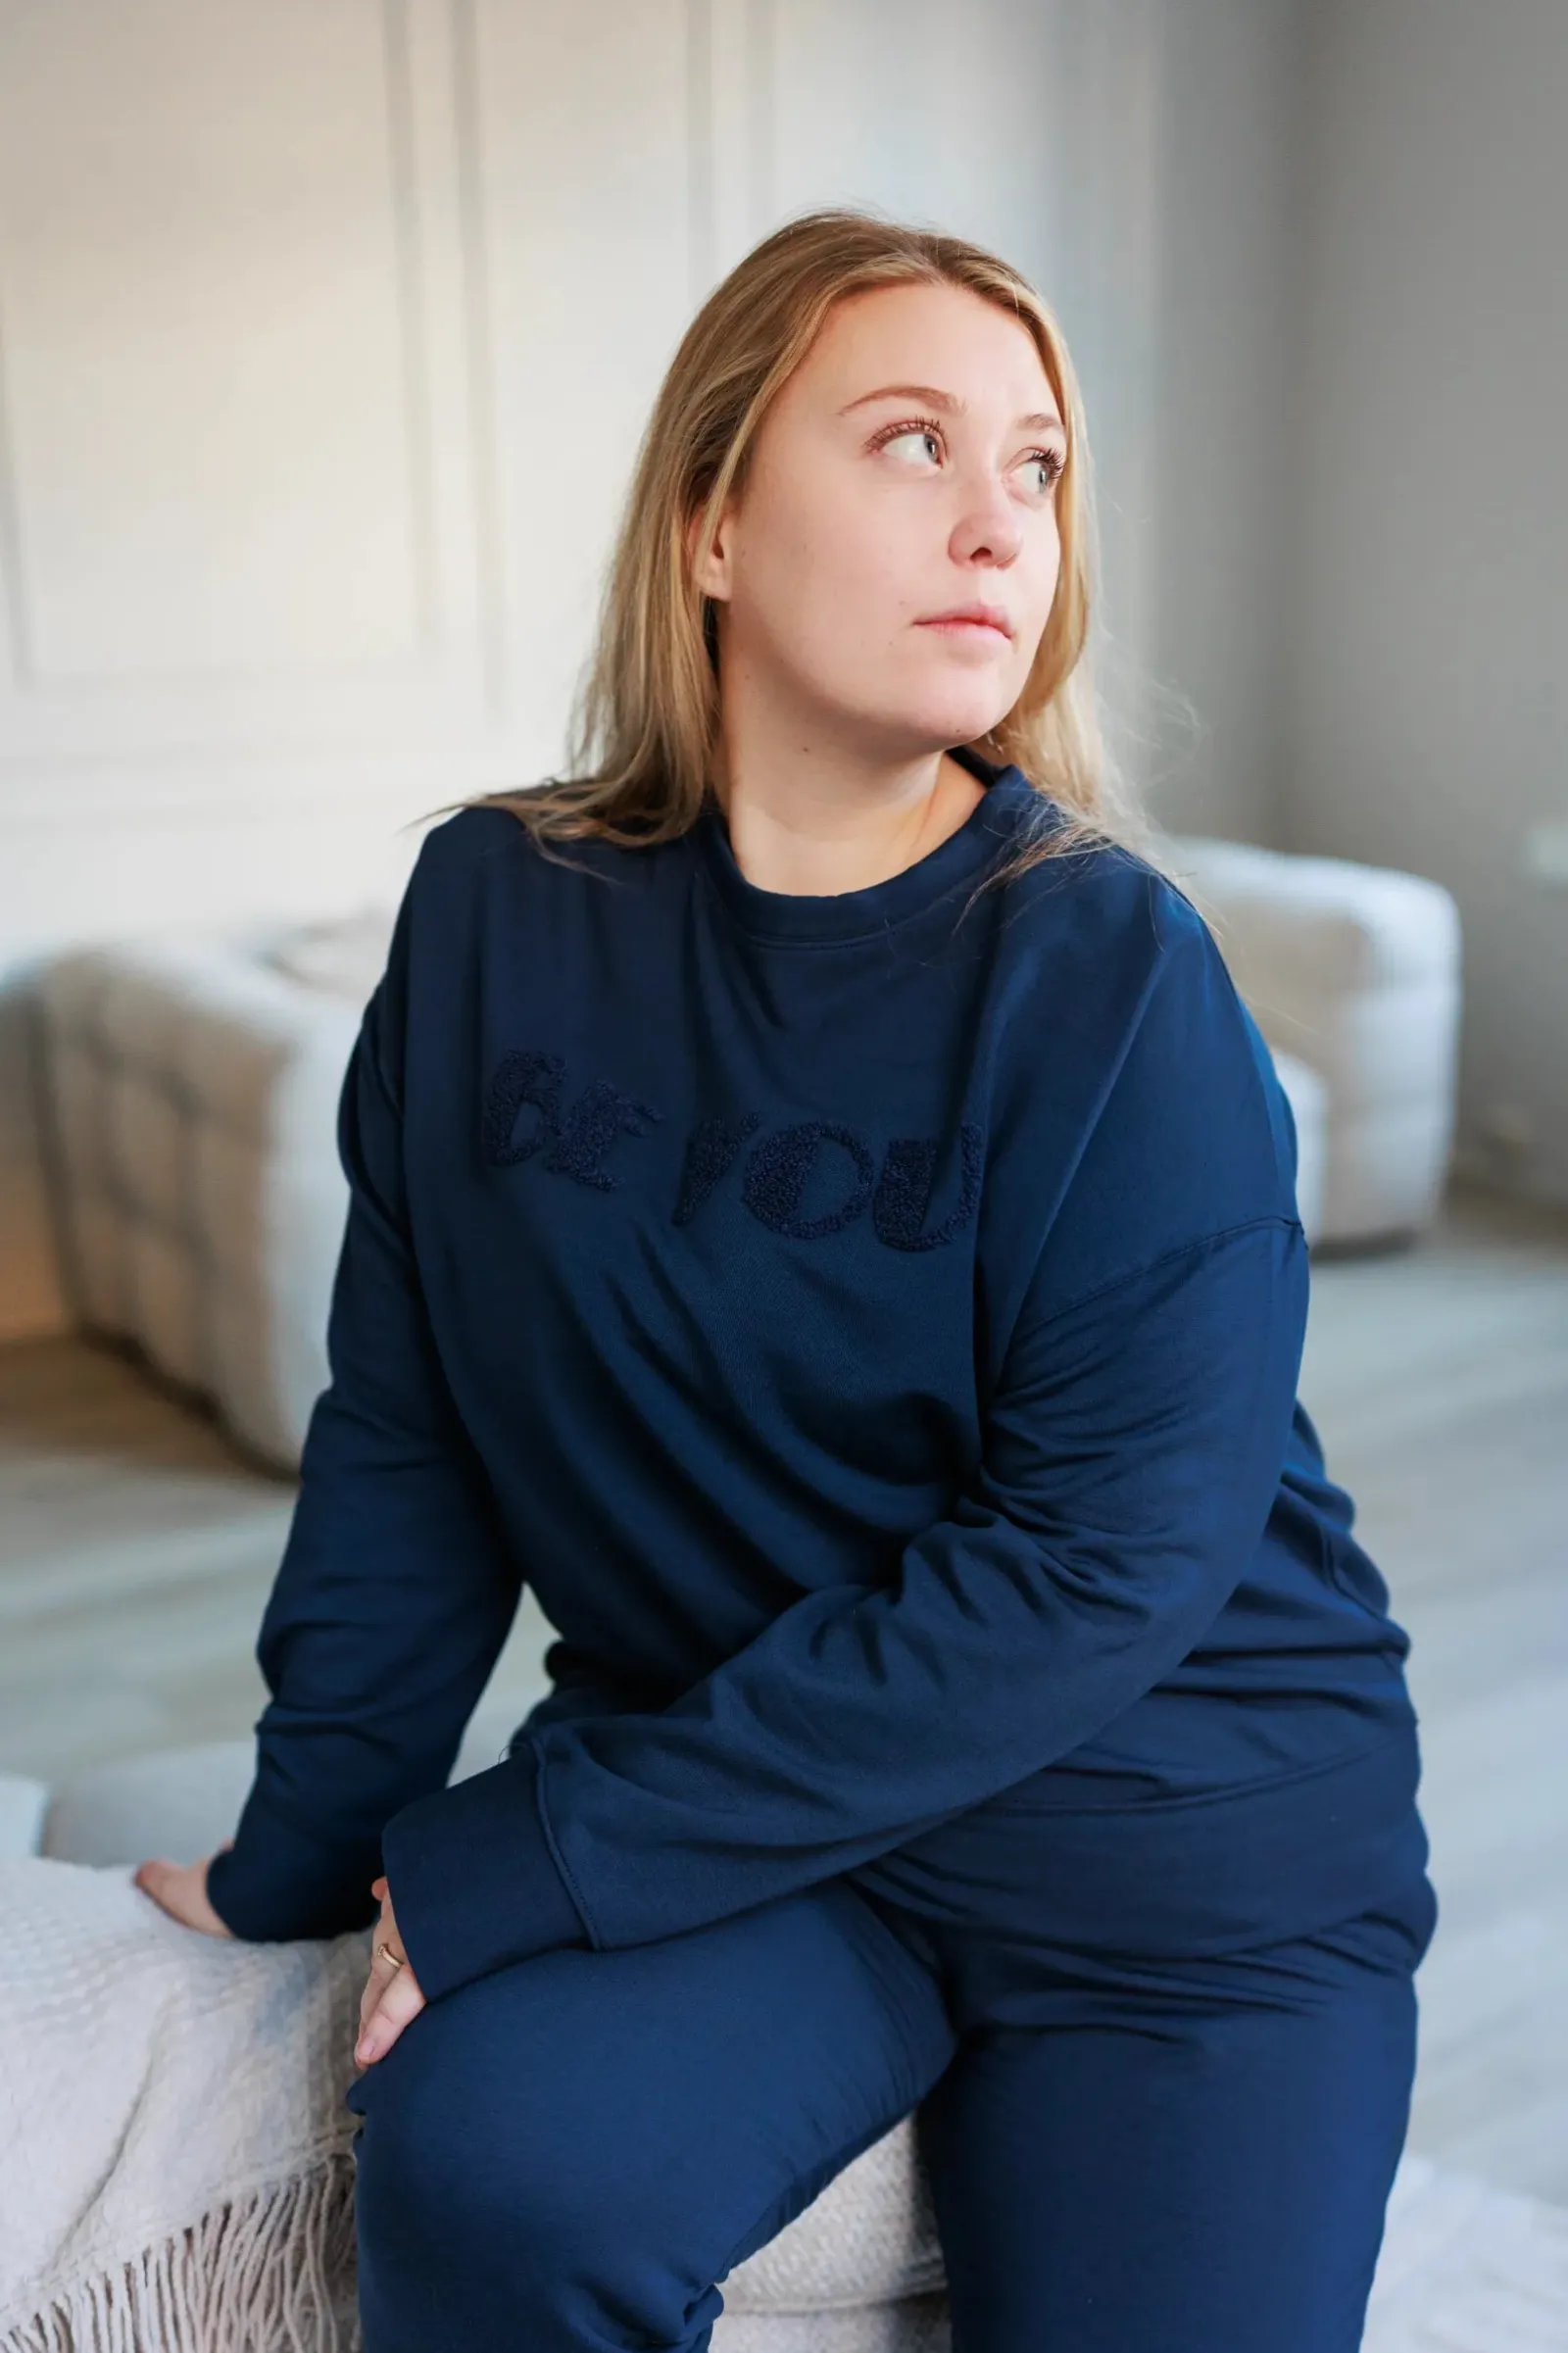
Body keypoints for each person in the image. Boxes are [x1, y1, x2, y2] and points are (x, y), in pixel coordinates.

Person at [135, 206, 1438, 2353]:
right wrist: (306, 1853)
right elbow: (412, 1436)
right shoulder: (491, 919)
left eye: (1034, 467)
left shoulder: (1113, 976)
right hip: (764, 1816)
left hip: (1172, 1846)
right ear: (713, 522)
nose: (997, 522)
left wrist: (539, 1846)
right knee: (489, 2171)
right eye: (912, 441)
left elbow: (1100, 1567)